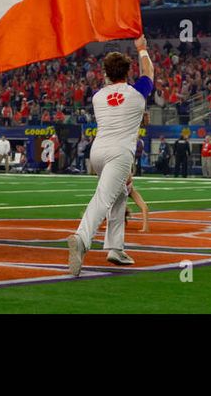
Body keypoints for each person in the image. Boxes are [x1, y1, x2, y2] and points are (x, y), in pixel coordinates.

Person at [67, 36, 153, 276]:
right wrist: (142, 49)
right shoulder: (138, 94)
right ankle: (82, 239)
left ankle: (115, 247)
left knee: (119, 194)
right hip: (120, 152)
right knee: (103, 198)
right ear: (128, 72)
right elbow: (149, 72)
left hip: (98, 151)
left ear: (105, 73)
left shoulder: (97, 97)